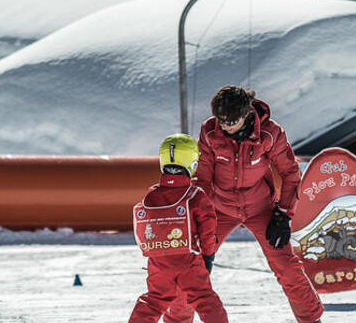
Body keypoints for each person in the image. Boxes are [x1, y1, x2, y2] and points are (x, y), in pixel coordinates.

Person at [193, 85, 324, 323]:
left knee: (286, 266)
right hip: (219, 209)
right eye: (220, 120)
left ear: (246, 114)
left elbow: (291, 173)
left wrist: (284, 215)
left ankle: (311, 319)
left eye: (230, 121)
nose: (225, 126)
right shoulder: (209, 132)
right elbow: (202, 178)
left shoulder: (270, 134)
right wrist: (199, 221)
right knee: (192, 267)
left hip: (260, 209)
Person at [128, 134, 227, 323]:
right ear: (192, 163)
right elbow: (208, 229)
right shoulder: (195, 196)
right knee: (204, 299)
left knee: (154, 300)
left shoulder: (151, 195)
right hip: (188, 260)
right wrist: (208, 256)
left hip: (158, 260)